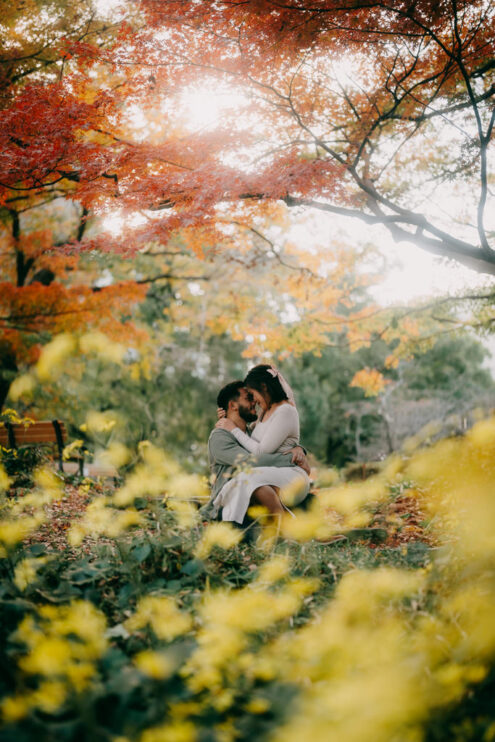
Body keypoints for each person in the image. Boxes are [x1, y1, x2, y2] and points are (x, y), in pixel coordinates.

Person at [204, 380, 310, 524]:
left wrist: (299, 449)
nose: (254, 401)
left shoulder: (250, 433)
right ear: (232, 405)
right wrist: (290, 459)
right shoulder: (219, 437)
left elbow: (273, 444)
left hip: (251, 502)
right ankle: (289, 528)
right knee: (254, 483)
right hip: (227, 506)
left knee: (273, 488)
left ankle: (299, 530)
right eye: (248, 398)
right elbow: (251, 462)